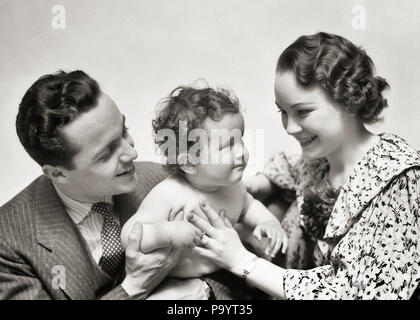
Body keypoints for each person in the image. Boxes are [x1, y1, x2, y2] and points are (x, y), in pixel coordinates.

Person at [187, 32, 420, 299]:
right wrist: (255, 185)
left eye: (303, 112)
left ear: (350, 99)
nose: (289, 127)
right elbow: (294, 169)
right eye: (283, 112)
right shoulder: (321, 158)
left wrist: (241, 261)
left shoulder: (402, 179)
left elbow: (357, 292)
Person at [0, 70, 184, 299]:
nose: (133, 152)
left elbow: (227, 265)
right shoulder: (8, 242)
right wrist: (134, 288)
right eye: (106, 154)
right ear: (57, 173)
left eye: (124, 131)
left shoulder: (162, 180)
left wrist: (203, 290)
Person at [120, 85, 287, 299]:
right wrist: (167, 233)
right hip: (175, 282)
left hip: (228, 271)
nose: (242, 152)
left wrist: (267, 221)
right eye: (228, 146)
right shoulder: (169, 193)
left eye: (241, 140)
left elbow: (248, 205)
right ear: (189, 162)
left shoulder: (233, 185)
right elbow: (130, 235)